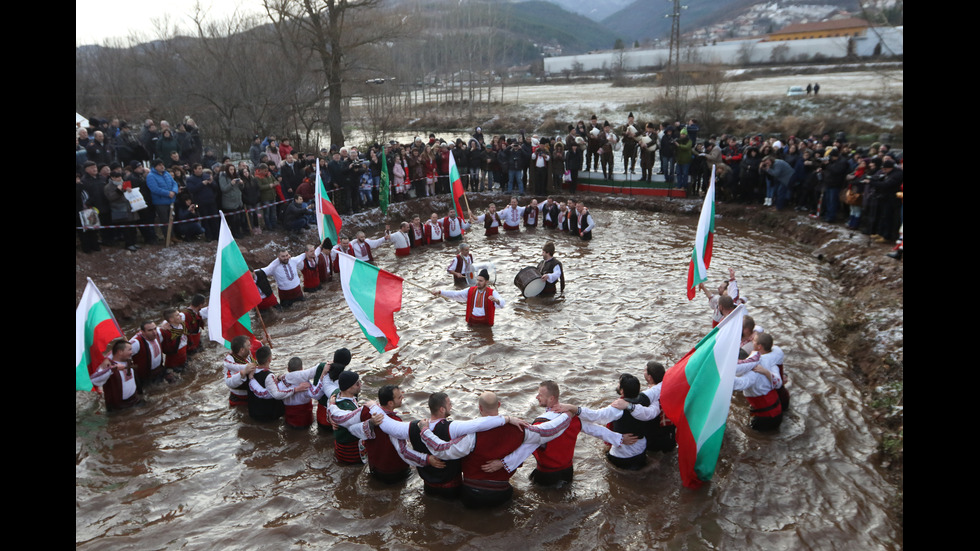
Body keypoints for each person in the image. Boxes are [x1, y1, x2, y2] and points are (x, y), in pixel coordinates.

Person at [416, 391, 571, 508]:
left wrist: (424, 430)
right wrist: (568, 414)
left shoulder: (471, 435)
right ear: (499, 405)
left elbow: (441, 450)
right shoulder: (519, 430)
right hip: (501, 492)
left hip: (471, 495)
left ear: (479, 408)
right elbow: (550, 431)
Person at [556, 374, 658, 470]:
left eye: (619, 384)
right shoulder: (646, 402)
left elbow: (595, 416)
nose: (617, 385)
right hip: (641, 451)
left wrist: (572, 408)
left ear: (622, 391)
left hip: (622, 456)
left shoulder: (617, 409)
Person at [524, 380, 583, 486]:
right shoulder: (575, 418)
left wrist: (505, 464)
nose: (537, 397)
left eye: (540, 395)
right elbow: (597, 431)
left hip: (546, 474)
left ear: (551, 398)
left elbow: (526, 448)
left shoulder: (539, 423)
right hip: (568, 471)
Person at [432, 269, 505, 327]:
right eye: (477, 280)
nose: (478, 282)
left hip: (486, 324)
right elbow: (455, 294)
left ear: (486, 282)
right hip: (472, 323)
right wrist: (440, 292)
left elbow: (502, 303)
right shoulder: (470, 290)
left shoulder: (492, 292)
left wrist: (496, 300)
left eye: (481, 281)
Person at [90, 338, 144, 412]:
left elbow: (112, 352)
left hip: (135, 401)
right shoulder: (106, 366)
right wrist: (112, 369)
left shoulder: (128, 359)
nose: (132, 352)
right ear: (120, 352)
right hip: (119, 409)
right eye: (129, 350)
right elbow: (93, 380)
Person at [310, 348, 352, 432]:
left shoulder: (322, 367)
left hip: (321, 414)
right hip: (339, 416)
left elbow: (315, 394)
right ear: (348, 362)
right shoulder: (348, 377)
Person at [641, 362, 676, 453]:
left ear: (650, 377)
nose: (643, 371)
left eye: (645, 370)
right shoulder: (670, 388)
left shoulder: (650, 396)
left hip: (656, 432)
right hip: (670, 430)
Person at [331, 371, 365, 464]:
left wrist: (331, 418)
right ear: (349, 388)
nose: (360, 384)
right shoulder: (347, 408)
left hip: (340, 445)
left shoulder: (337, 393)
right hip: (350, 451)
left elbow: (329, 404)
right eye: (357, 383)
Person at [223, 335, 257, 407]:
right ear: (242, 350)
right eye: (248, 346)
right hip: (238, 400)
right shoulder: (230, 363)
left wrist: (263, 342)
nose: (250, 348)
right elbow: (229, 382)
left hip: (251, 396)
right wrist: (242, 374)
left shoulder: (247, 355)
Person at [130, 320, 165, 385]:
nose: (154, 332)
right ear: (142, 332)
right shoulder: (136, 343)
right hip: (145, 378)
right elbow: (119, 356)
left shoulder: (158, 333)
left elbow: (167, 323)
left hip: (160, 371)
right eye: (150, 330)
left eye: (155, 329)